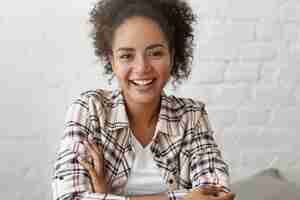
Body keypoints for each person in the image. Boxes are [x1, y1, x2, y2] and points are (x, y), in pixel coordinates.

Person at [52, 0, 236, 200]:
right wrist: (182, 198)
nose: (141, 68)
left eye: (155, 53)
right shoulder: (89, 110)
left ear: (172, 56)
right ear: (111, 61)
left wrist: (106, 196)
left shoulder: (192, 116)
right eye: (126, 56)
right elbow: (68, 197)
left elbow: (217, 195)